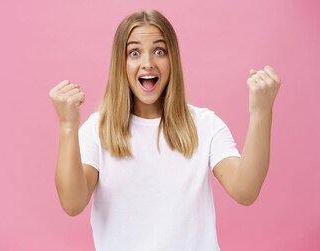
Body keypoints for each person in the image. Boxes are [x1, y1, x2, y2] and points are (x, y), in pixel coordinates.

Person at [48, 10, 281, 251]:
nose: (148, 62)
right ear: (121, 63)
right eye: (134, 52)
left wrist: (261, 113)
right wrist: (67, 127)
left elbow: (245, 190)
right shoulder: (97, 130)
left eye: (159, 51)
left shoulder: (205, 124)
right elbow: (72, 203)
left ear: (173, 61)